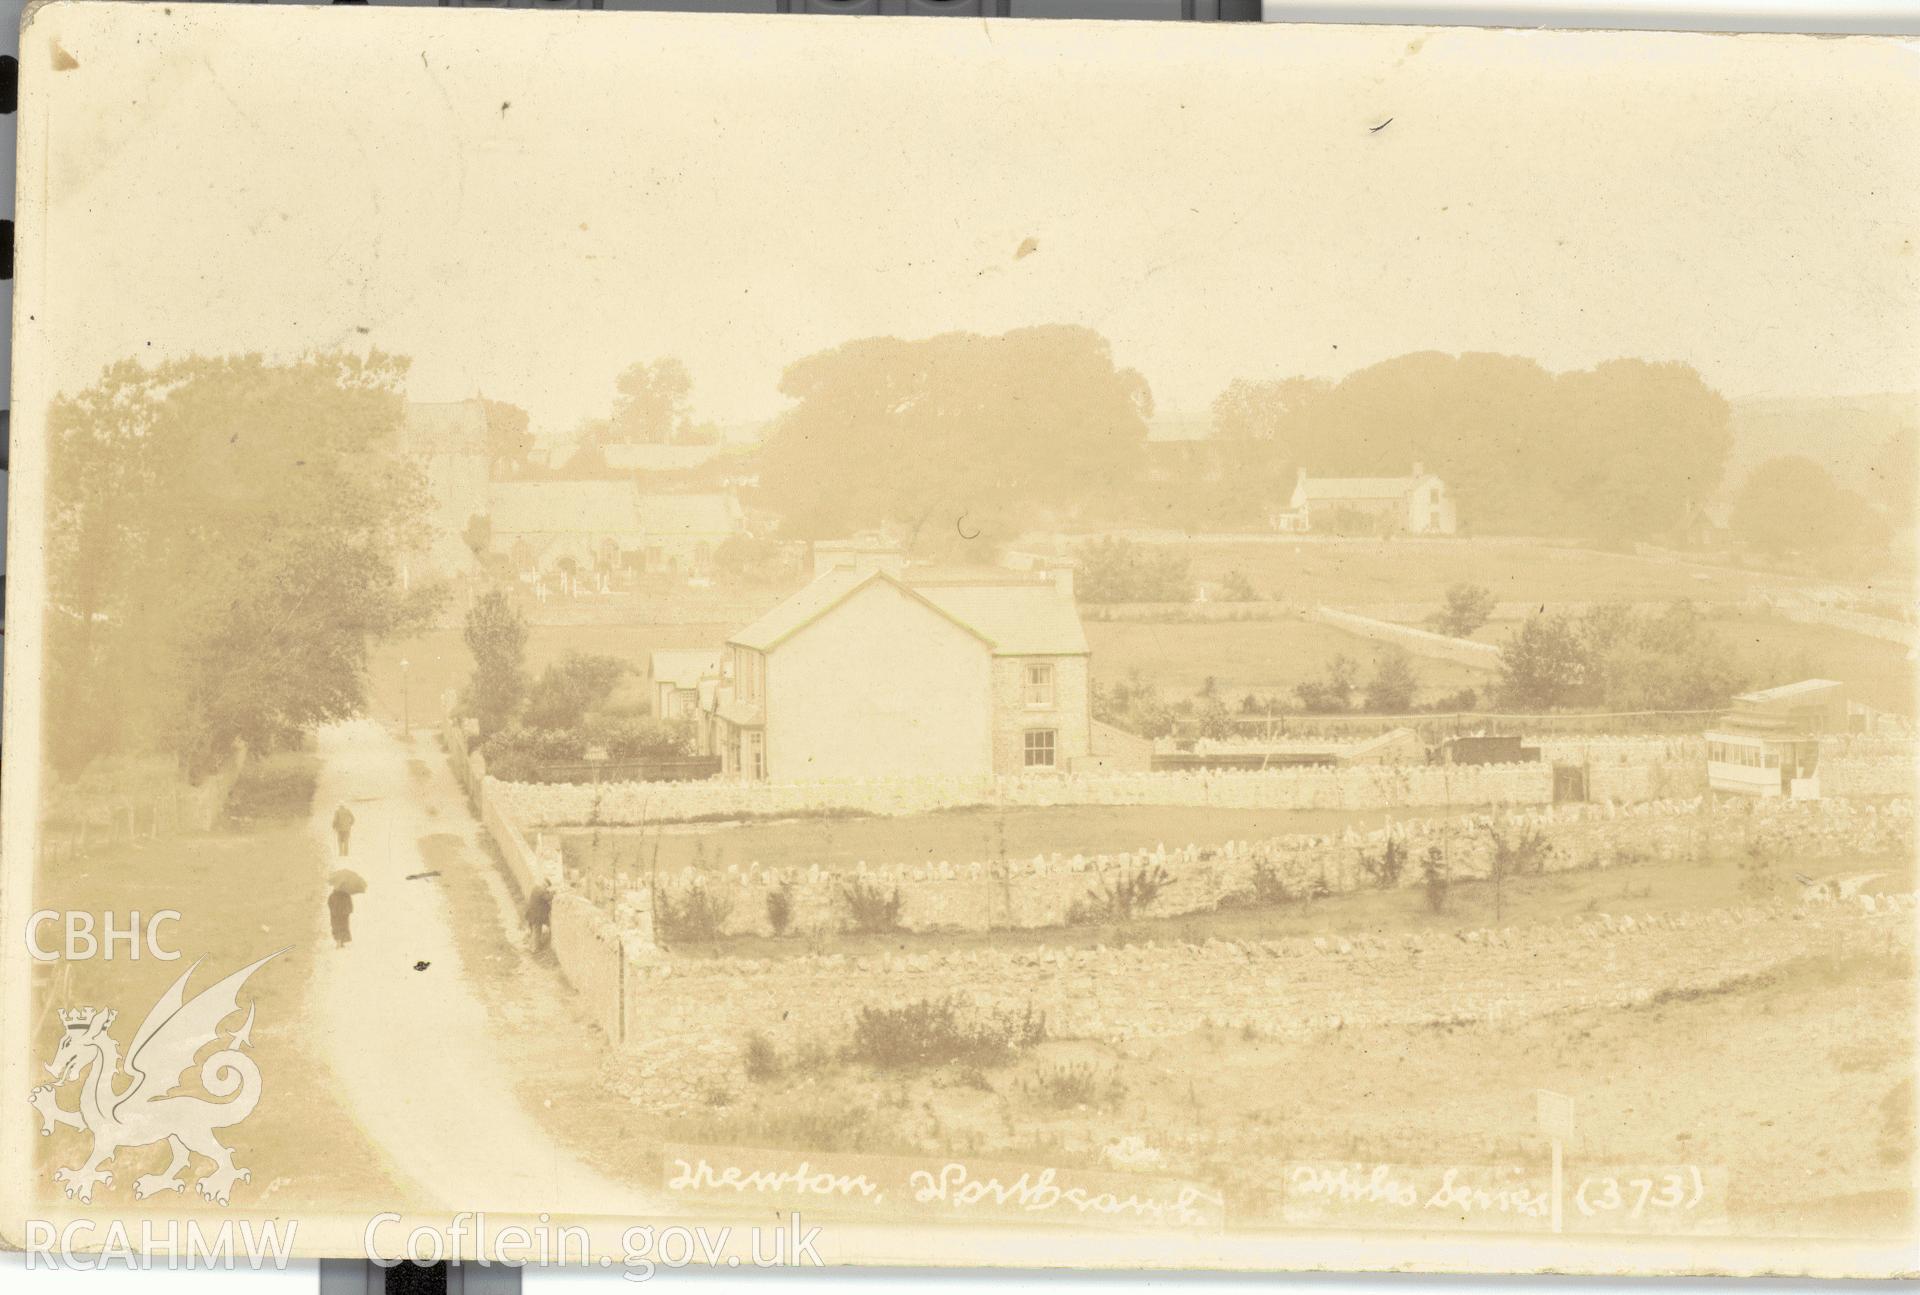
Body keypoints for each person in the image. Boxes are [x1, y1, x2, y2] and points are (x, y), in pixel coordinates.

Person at [524, 881, 553, 953]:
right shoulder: (542, 891)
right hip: (537, 916)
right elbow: (549, 898)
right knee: (537, 932)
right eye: (546, 887)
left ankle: (531, 946)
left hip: (531, 914)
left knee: (534, 931)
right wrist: (553, 893)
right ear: (545, 885)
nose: (546, 888)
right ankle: (535, 949)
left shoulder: (536, 888)